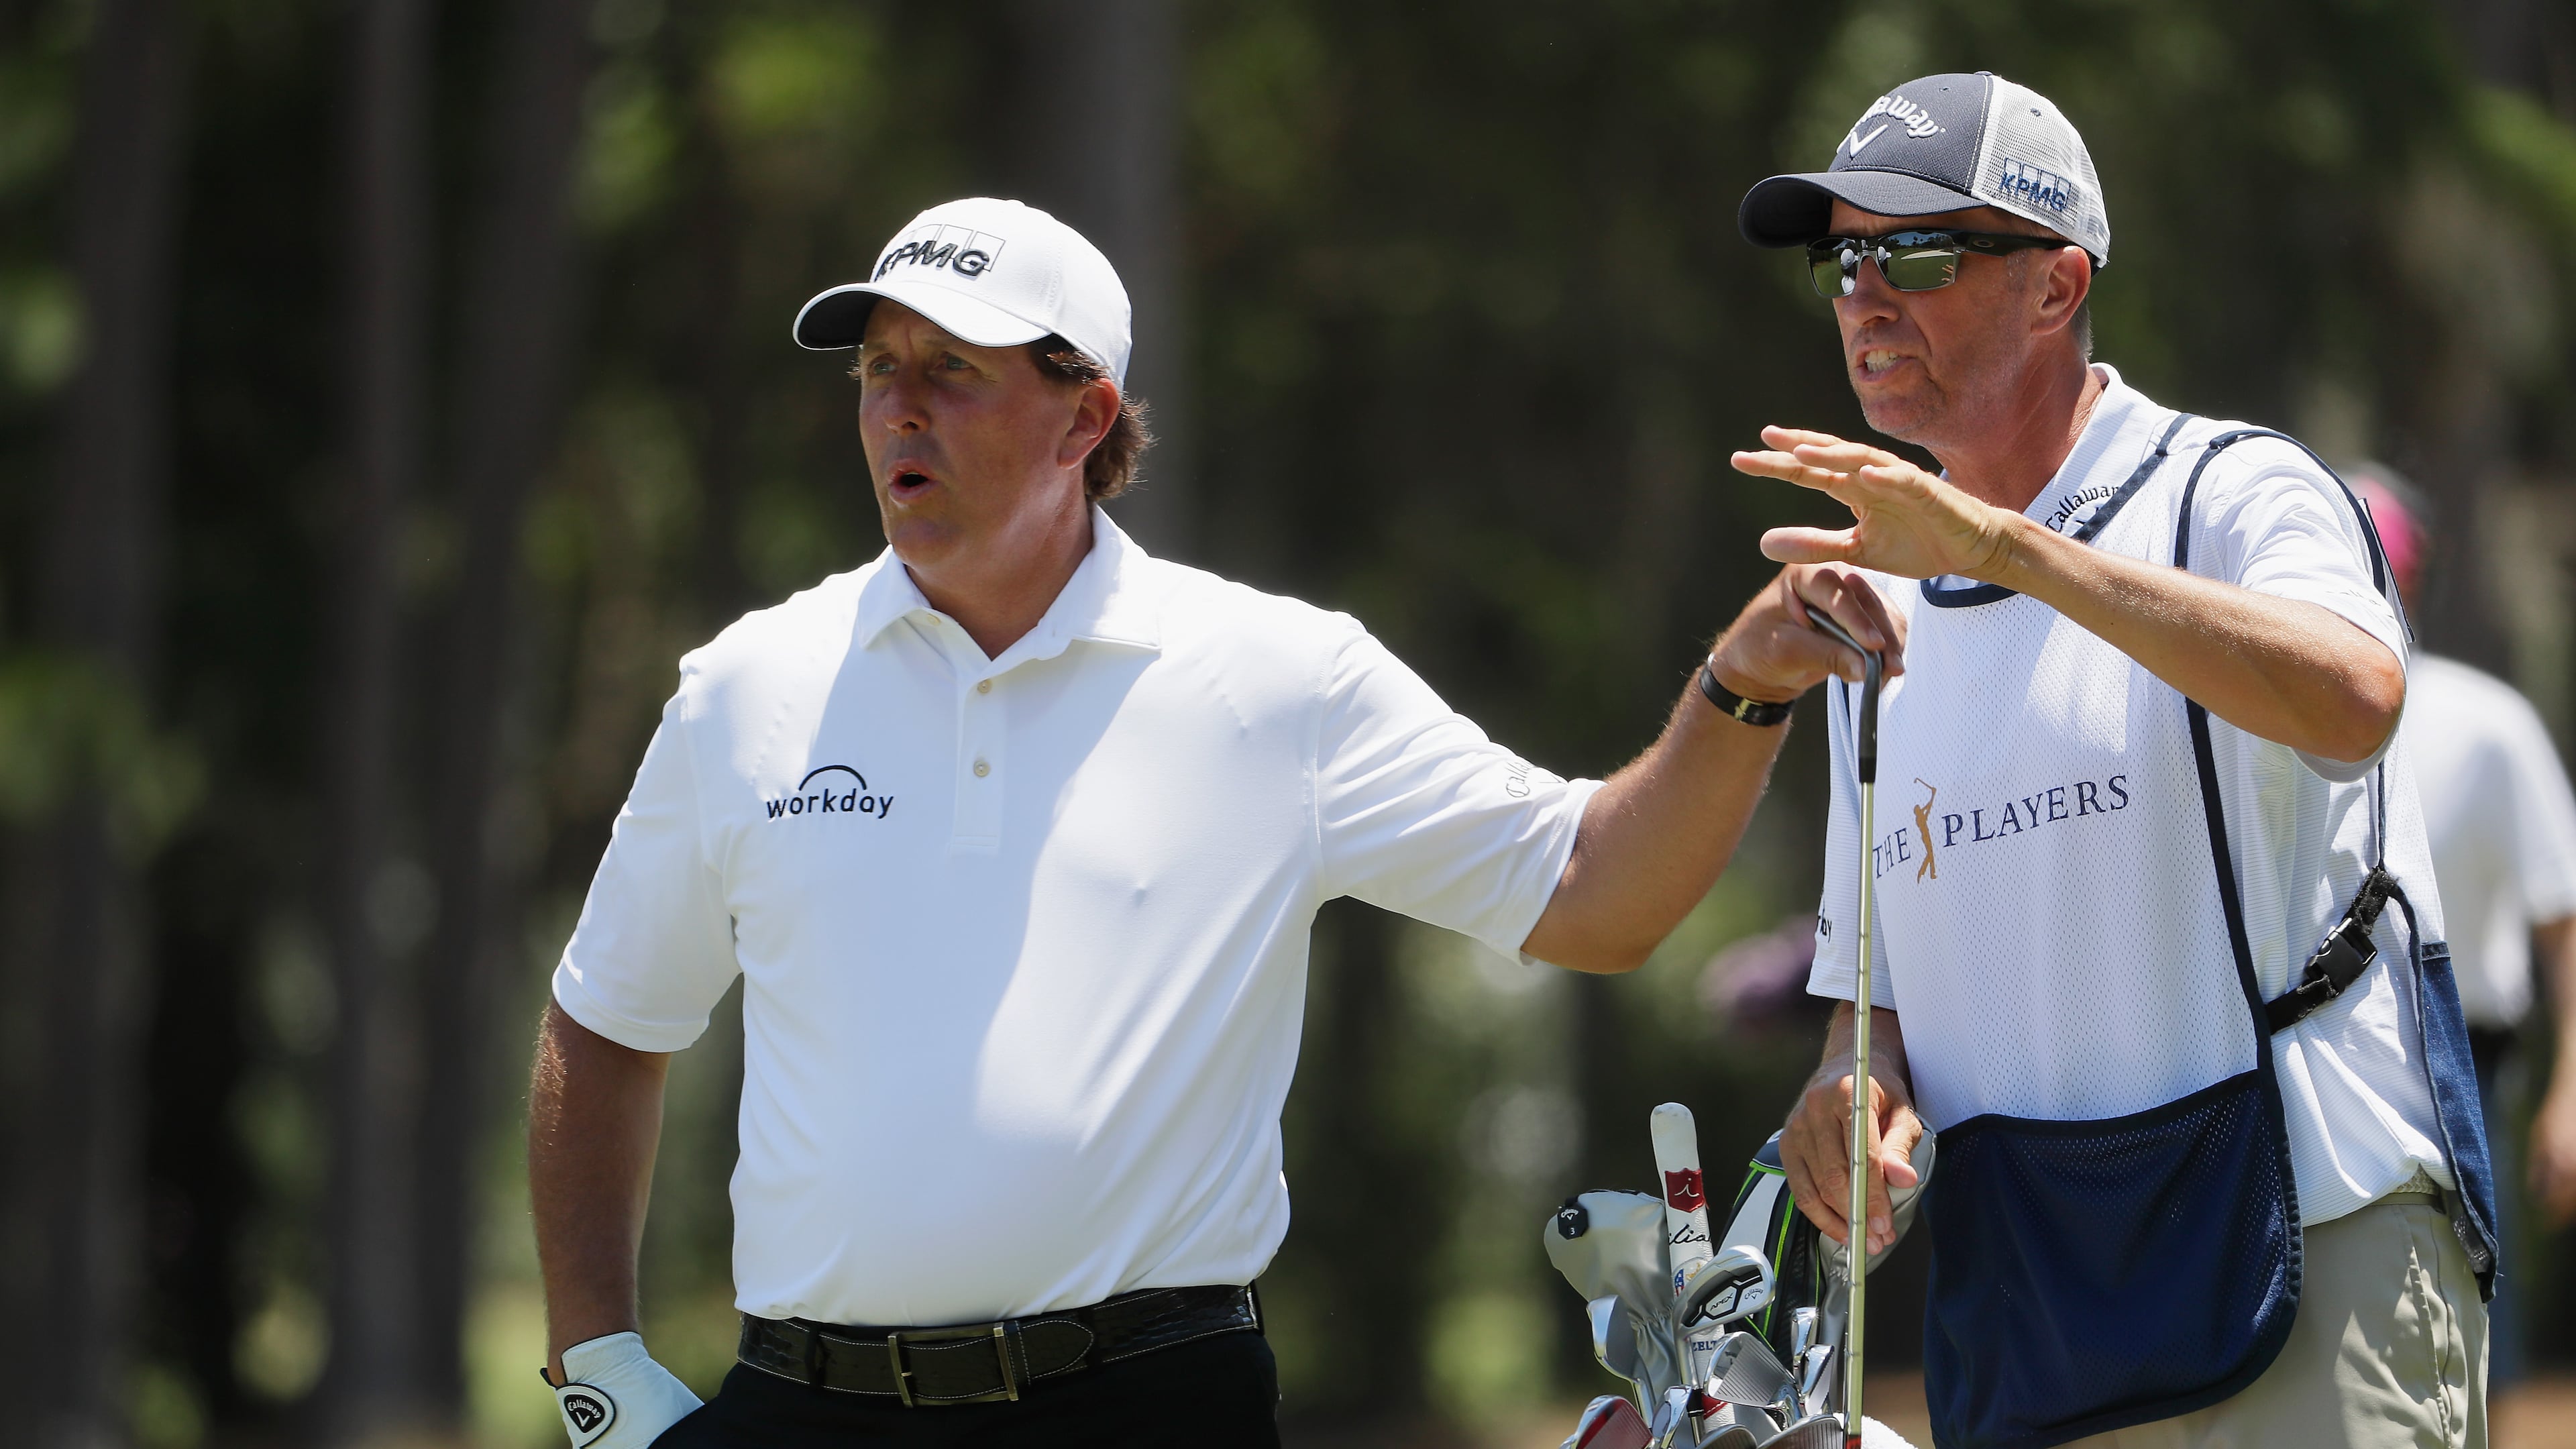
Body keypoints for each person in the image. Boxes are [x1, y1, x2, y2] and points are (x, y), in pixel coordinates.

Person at [524, 196, 1900, 1448]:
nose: (900, 413)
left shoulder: (1275, 680)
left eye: (953, 371)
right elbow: (604, 1022)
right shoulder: (747, 687)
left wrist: (1744, 683)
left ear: (1082, 421)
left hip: (1149, 1402)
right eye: (879, 371)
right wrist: (602, 1367)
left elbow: (1600, 895)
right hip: (800, 1410)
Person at [1739, 73, 2498, 1447]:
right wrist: (1849, 1100)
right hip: (2037, 1300)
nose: (1864, 297)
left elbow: (2356, 700)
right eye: (1841, 259)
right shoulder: (1879, 612)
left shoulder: (2235, 488)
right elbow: (1877, 1003)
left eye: (1914, 253)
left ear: (2057, 284)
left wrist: (2002, 549)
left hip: (2314, 1246)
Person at [2354, 468, 2576, 1392]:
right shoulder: (2255, 728)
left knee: (2481, 1308)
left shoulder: (2488, 725)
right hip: (2326, 1053)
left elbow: (2561, 918)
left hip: (2464, 1064)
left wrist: (2570, 1092)